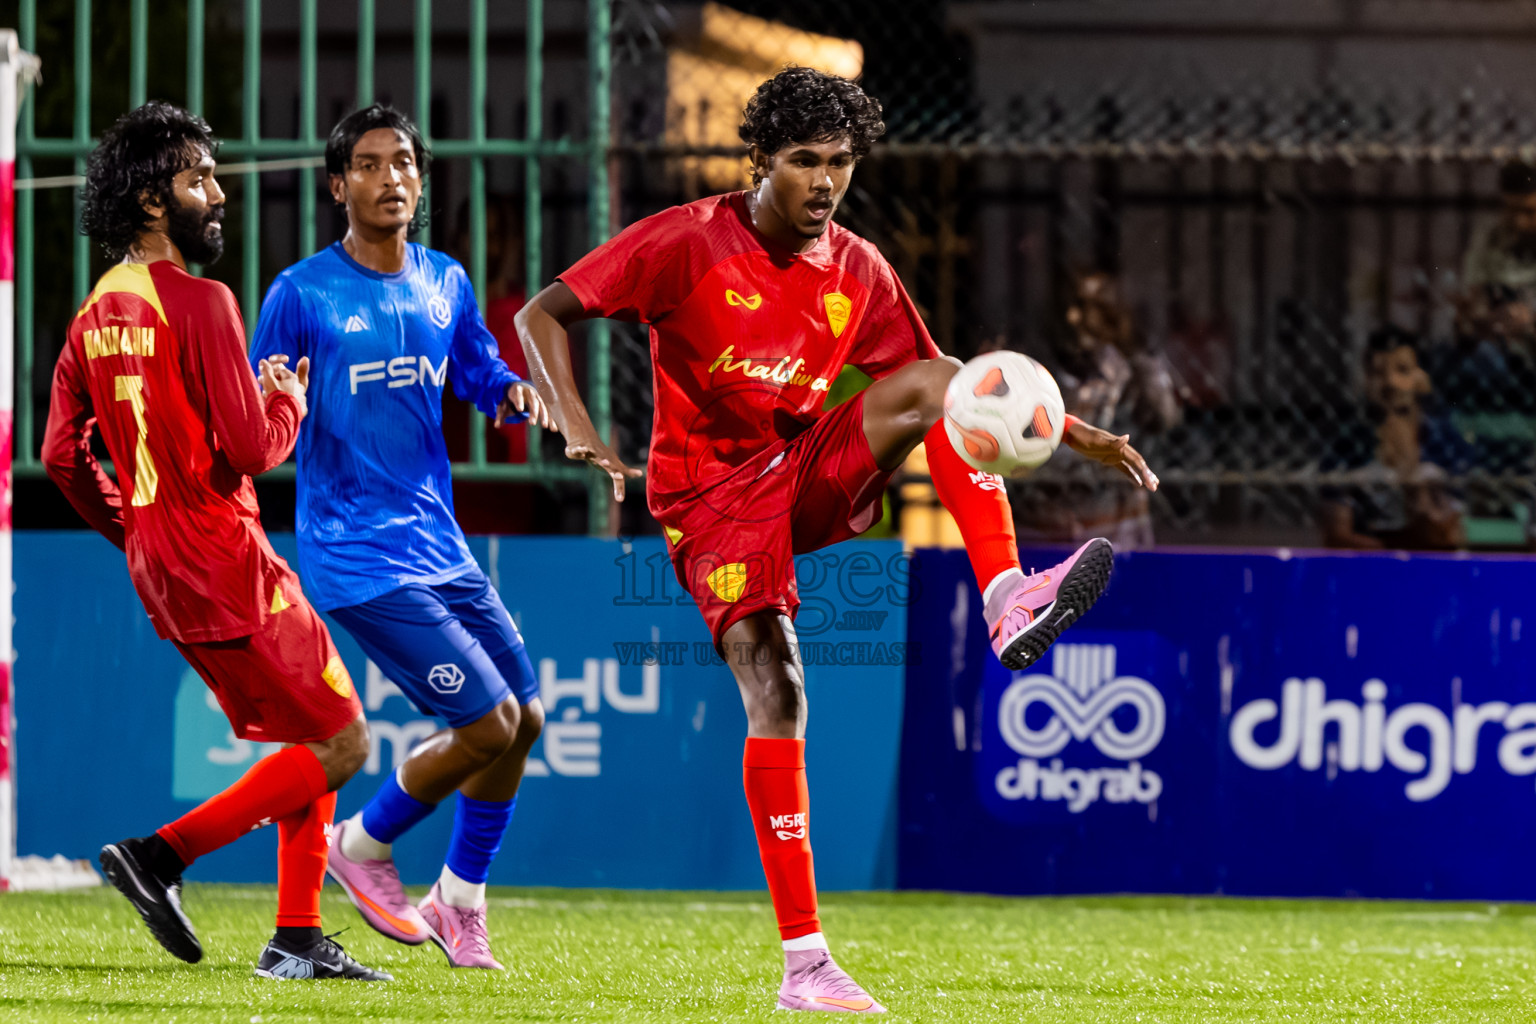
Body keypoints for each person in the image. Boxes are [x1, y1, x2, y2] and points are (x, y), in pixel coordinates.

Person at [516, 68, 1157, 1013]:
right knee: (778, 691)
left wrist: (1068, 428)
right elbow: (543, 314)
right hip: (712, 503)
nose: (824, 182)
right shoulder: (686, 243)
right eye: (805, 162)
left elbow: (960, 386)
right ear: (759, 162)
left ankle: (1005, 594)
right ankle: (806, 966)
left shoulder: (857, 268)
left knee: (941, 381)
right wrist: (573, 420)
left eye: (841, 164)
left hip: (802, 479)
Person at [42, 102, 386, 981]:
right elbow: (250, 449)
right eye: (199, 178)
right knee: (346, 740)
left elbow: (58, 455)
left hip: (162, 563)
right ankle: (160, 856)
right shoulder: (202, 302)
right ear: (154, 201)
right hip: (226, 557)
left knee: (310, 734)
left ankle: (297, 940)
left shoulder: (94, 312)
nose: (217, 193)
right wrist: (288, 401)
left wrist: (133, 528)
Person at [249, 104, 555, 970]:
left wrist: (506, 392)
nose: (392, 179)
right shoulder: (300, 292)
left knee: (525, 718)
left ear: (421, 180)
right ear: (338, 184)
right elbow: (256, 407)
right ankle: (363, 844)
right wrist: (276, 404)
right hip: (355, 550)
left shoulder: (444, 280)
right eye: (371, 164)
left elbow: (478, 363)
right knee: (489, 722)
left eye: (405, 163)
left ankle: (459, 901)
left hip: (439, 544)